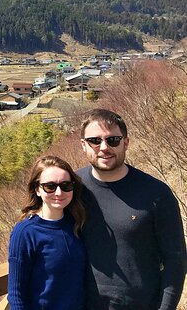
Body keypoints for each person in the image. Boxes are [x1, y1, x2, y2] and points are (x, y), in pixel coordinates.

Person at [78, 108, 187, 309]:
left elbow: (176, 260)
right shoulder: (71, 188)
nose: (104, 147)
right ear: (84, 145)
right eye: (95, 141)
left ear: (126, 142)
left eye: (113, 140)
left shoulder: (156, 193)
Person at [8, 155, 86, 310]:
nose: (59, 193)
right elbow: (16, 294)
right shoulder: (25, 232)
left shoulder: (77, 222)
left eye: (66, 185)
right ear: (37, 189)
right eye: (50, 186)